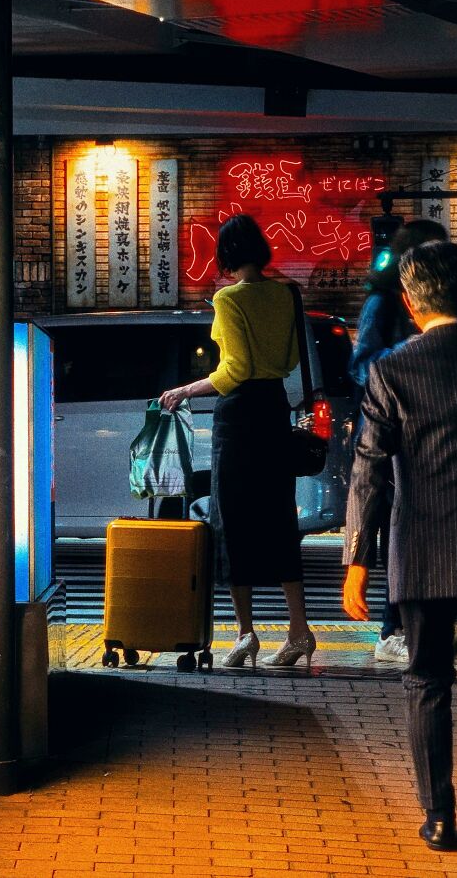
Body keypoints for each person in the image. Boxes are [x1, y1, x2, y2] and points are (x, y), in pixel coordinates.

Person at [343, 240, 457, 852]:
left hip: (424, 550)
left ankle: (440, 816)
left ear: (412, 304)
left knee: (427, 679)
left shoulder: (393, 370)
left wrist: (357, 560)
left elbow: (368, 469)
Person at [160, 213, 315, 670]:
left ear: (226, 256)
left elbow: (234, 371)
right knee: (280, 520)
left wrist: (185, 389)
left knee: (232, 522)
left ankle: (246, 635)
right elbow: (285, 359)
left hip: (240, 417)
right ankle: (300, 630)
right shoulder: (287, 293)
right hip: (274, 409)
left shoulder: (228, 300)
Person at [350, 219, 448, 663]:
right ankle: (393, 629)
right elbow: (362, 363)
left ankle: (421, 623)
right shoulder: (383, 302)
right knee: (399, 523)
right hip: (396, 425)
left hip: (429, 425)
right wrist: (414, 357)